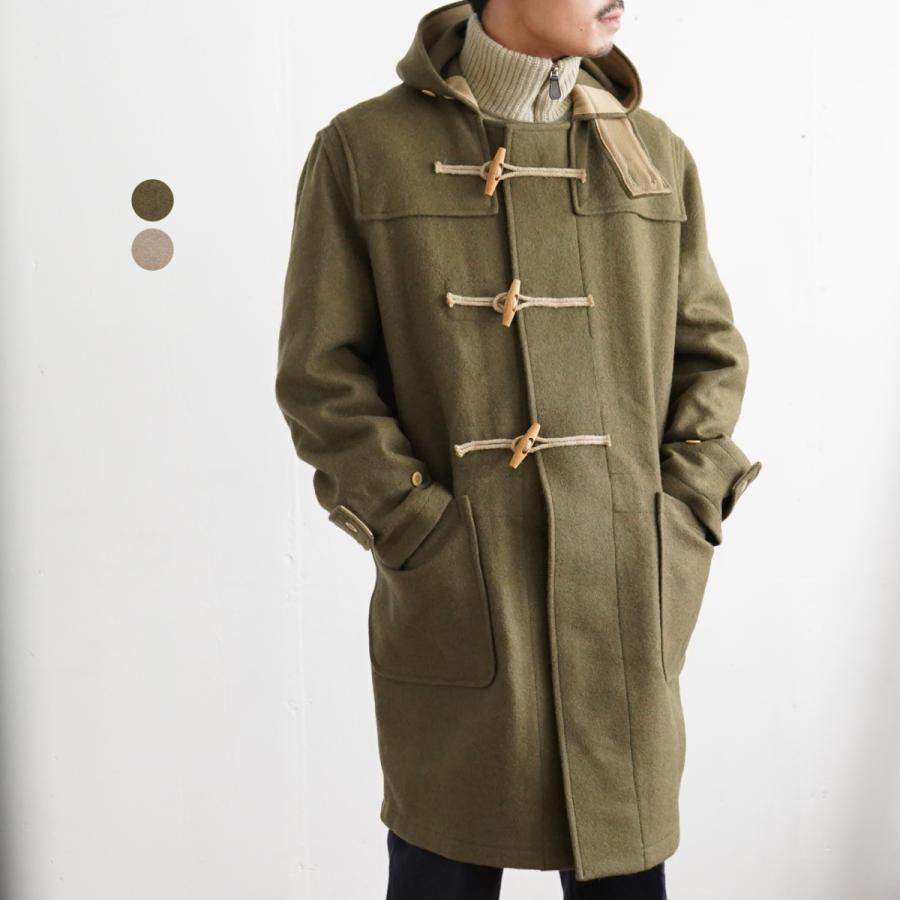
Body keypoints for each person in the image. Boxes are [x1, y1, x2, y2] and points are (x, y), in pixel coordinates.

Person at [275, 0, 762, 897]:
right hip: (459, 600)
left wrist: (681, 518)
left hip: (626, 598)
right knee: (441, 864)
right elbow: (321, 378)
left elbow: (711, 359)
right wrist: (417, 530)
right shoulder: (364, 151)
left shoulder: (654, 152)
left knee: (623, 868)